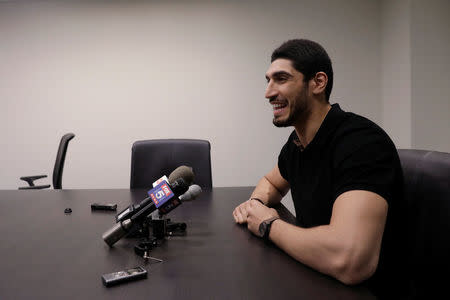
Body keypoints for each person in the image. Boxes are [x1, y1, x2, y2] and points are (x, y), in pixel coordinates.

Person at [232, 39, 405, 299]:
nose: (268, 93)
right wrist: (256, 203)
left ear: (318, 82)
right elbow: (272, 182)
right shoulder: (298, 143)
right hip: (316, 277)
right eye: (268, 80)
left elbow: (350, 261)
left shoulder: (361, 141)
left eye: (281, 79)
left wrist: (268, 225)